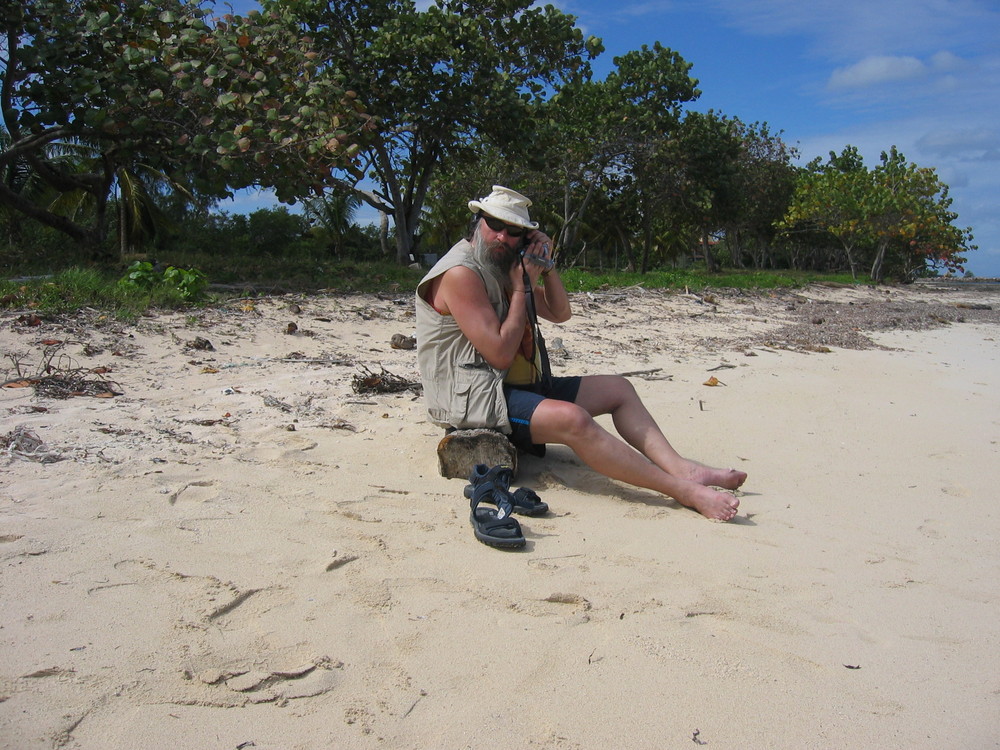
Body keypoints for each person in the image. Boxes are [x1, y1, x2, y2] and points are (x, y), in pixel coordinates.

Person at [415, 186, 745, 521]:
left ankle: (683, 470)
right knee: (574, 420)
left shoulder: (501, 264)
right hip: (475, 398)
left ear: (524, 238)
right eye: (493, 225)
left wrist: (546, 265)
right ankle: (682, 491)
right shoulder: (460, 274)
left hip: (514, 385)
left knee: (619, 389)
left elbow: (560, 313)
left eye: (513, 231)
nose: (501, 236)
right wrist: (519, 287)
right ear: (477, 223)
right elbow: (500, 354)